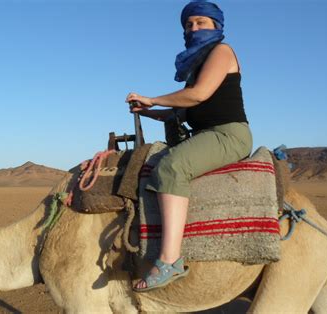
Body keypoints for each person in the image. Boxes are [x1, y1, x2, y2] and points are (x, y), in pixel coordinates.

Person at [126, 0, 253, 292]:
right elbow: (179, 110)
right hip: (206, 134)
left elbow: (197, 95)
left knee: (173, 166)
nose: (194, 28)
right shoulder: (197, 65)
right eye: (189, 24)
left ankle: (170, 260)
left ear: (216, 26)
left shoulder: (222, 52)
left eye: (201, 23)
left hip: (228, 135)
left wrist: (153, 98)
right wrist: (144, 110)